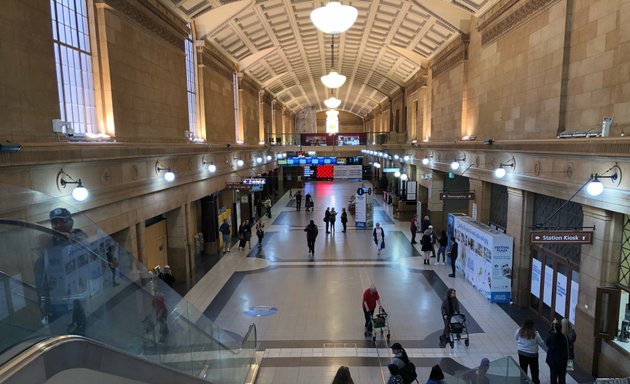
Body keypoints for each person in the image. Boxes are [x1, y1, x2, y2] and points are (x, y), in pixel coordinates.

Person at [35, 208, 88, 323]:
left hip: (76, 295)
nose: (58, 226)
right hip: (57, 297)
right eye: (54, 223)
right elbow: (40, 240)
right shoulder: (50, 242)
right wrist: (43, 299)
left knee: (81, 324)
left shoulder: (78, 235)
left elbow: (83, 239)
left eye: (62, 221)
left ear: (71, 222)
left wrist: (68, 237)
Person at [515, 319, 544, 384]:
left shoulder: (519, 331)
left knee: (523, 369)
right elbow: (541, 343)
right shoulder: (535, 334)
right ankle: (535, 382)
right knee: (534, 370)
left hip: (522, 353)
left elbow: (516, 338)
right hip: (533, 355)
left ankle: (523, 382)